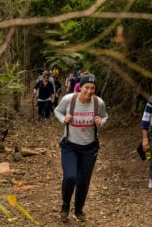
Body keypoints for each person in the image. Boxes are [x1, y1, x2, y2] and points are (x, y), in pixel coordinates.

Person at [54, 74, 109, 222]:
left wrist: (100, 121)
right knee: (70, 176)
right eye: (87, 87)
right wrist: (62, 119)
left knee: (83, 180)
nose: (90, 91)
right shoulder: (69, 100)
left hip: (90, 148)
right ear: (80, 87)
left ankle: (78, 210)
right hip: (69, 146)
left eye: (92, 88)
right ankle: (65, 206)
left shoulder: (99, 103)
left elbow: (105, 117)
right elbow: (57, 111)